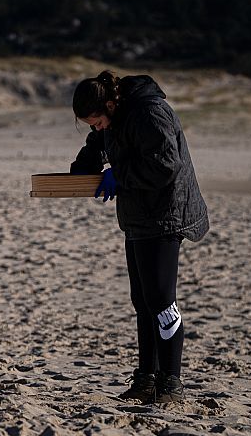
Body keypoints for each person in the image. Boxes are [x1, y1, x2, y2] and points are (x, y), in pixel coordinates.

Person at [70, 71, 209, 404]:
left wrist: (120, 175)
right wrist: (82, 169)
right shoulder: (113, 119)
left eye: (97, 121)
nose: (96, 128)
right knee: (142, 302)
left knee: (161, 301)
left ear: (110, 103)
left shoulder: (149, 111)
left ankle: (171, 383)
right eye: (90, 124)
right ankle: (146, 379)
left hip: (165, 214)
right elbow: (98, 145)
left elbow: (166, 165)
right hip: (137, 216)